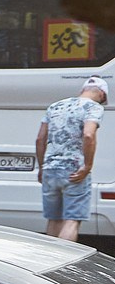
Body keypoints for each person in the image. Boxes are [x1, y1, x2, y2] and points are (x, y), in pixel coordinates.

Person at [37, 75, 107, 241]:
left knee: (53, 220)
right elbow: (88, 135)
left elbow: (40, 139)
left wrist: (41, 168)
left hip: (50, 169)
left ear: (82, 90)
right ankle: (64, 263)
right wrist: (87, 166)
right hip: (74, 170)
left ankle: (49, 262)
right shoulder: (94, 108)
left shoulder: (55, 106)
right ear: (102, 95)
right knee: (71, 221)